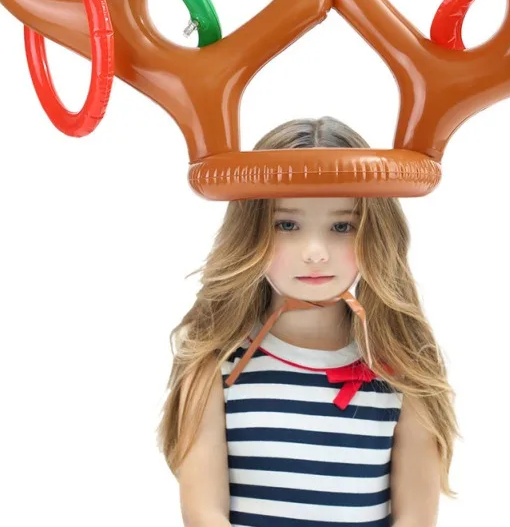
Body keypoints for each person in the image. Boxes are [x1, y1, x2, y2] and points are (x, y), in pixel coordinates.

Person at [157, 116, 458, 526]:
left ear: (375, 233)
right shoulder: (216, 366)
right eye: (287, 224)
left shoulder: (405, 370)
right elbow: (204, 514)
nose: (315, 251)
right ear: (250, 231)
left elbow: (415, 520)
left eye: (341, 226)